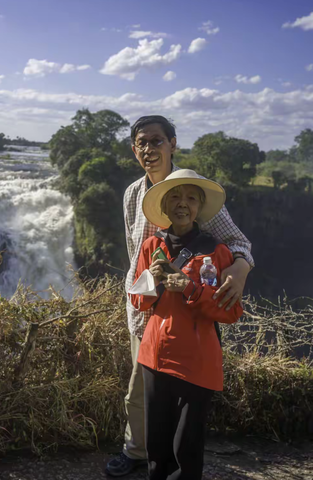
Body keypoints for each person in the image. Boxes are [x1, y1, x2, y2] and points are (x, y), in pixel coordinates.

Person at [105, 116, 254, 477]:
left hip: (190, 313)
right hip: (145, 308)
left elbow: (238, 243)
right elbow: (134, 252)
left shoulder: (192, 191)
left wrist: (238, 270)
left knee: (184, 396)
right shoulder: (132, 194)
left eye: (157, 141)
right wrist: (142, 291)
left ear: (173, 144)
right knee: (141, 391)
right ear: (133, 149)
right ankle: (138, 451)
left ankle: (177, 460)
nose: (148, 148)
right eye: (141, 142)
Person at [129, 169, 243, 480]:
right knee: (158, 447)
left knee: (186, 450)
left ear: (199, 208)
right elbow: (139, 303)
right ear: (164, 207)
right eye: (175, 197)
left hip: (197, 361)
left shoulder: (216, 251)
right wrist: (153, 277)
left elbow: (232, 313)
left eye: (191, 198)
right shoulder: (151, 246)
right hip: (156, 357)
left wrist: (190, 288)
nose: (183, 204)